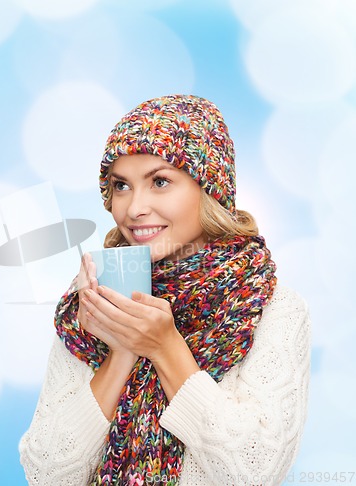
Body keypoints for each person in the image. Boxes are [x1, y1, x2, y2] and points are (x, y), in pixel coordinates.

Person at [19, 95, 310, 485]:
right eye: (121, 185)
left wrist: (163, 346)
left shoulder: (271, 308)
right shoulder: (92, 302)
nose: (134, 207)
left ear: (209, 189)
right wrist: (121, 349)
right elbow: (46, 473)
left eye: (159, 181)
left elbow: (254, 470)